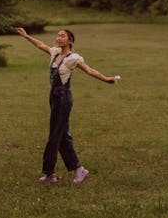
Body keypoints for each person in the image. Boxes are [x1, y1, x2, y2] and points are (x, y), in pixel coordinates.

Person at [16, 26, 119, 184]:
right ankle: (79, 169)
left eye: (62, 36)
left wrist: (106, 79)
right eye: (57, 36)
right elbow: (40, 45)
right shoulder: (55, 53)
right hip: (54, 97)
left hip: (64, 99)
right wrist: (26, 36)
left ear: (70, 40)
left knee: (54, 137)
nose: (58, 38)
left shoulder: (74, 58)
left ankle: (50, 174)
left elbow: (89, 71)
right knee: (62, 135)